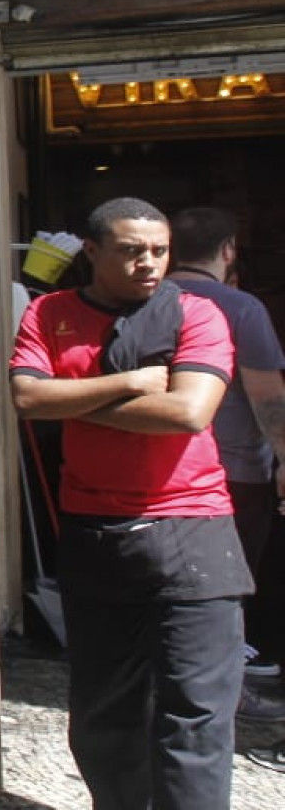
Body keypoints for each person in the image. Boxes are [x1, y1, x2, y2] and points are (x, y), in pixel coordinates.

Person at [9, 196, 247, 808]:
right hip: (96, 532)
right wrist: (131, 382)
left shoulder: (197, 314)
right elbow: (28, 403)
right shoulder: (49, 311)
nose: (149, 263)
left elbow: (189, 411)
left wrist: (75, 395)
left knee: (195, 711)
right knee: (101, 711)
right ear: (92, 252)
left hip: (195, 530)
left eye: (160, 251)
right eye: (131, 251)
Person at [166, 207, 285, 727]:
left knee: (175, 588)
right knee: (226, 589)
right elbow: (268, 399)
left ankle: (179, 686)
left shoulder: (145, 301)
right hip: (235, 472)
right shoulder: (241, 308)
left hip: (164, 470)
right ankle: (225, 695)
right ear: (229, 249)